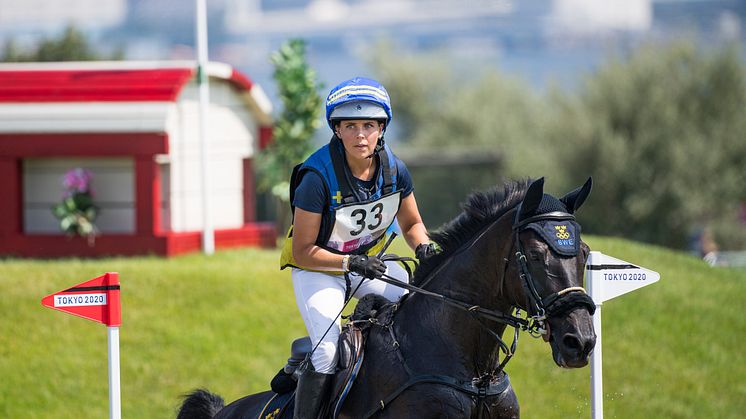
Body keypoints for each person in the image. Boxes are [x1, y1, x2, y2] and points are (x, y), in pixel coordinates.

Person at [279, 77, 436, 418]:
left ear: (382, 128)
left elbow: (411, 225)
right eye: (350, 126)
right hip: (319, 270)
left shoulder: (395, 170)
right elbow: (303, 250)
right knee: (326, 352)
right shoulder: (316, 178)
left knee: (424, 310)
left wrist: (423, 246)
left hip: (369, 264)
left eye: (369, 125)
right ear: (336, 130)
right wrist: (351, 263)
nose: (360, 135)